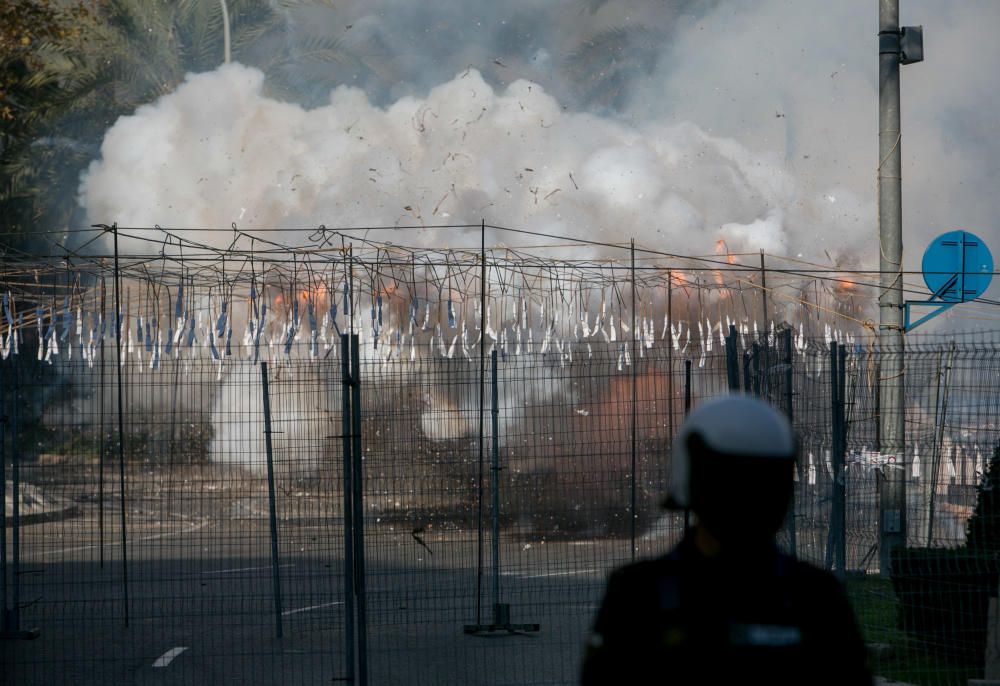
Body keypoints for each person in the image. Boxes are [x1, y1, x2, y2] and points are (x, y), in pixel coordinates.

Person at [581, 394, 872, 685]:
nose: (744, 500)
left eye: (758, 483)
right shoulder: (815, 596)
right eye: (731, 483)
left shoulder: (640, 591)